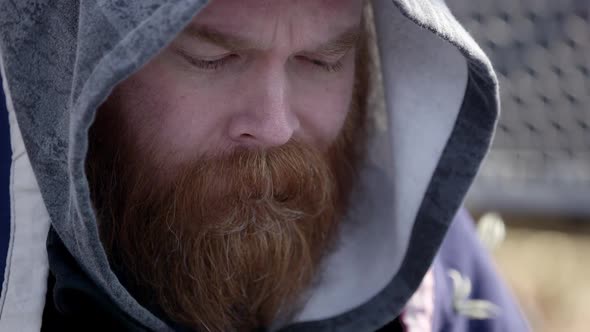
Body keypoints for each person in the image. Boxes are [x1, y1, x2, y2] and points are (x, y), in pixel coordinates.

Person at [0, 0, 530, 331]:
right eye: (212, 60)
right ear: (83, 60)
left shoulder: (414, 260)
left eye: (321, 62)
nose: (274, 126)